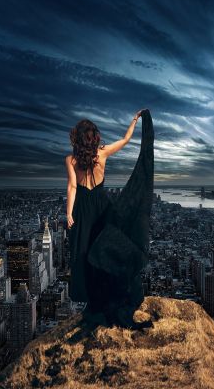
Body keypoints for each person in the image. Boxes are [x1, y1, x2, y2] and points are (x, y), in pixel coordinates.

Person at [65, 108, 154, 330]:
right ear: (94, 138)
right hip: (103, 206)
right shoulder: (102, 153)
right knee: (107, 251)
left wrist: (69, 213)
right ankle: (111, 299)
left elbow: (72, 187)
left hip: (83, 210)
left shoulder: (71, 160)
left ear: (77, 139)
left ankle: (96, 304)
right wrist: (135, 120)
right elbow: (126, 139)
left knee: (86, 256)